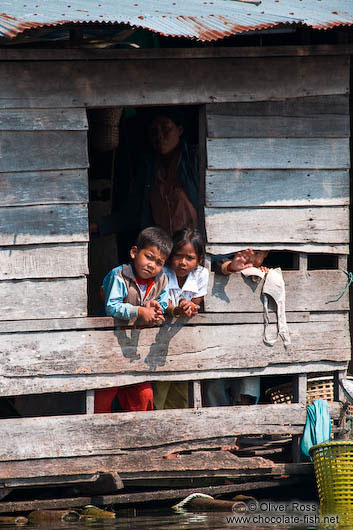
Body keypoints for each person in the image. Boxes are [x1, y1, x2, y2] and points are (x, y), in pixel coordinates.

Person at [92, 107, 199, 249]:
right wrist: (97, 227)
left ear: (179, 130)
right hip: (163, 250)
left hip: (192, 248)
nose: (159, 136)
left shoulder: (194, 161)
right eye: (153, 131)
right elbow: (133, 212)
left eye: (166, 129)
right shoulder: (149, 169)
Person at [94, 226, 172, 413]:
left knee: (144, 396)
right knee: (104, 397)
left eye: (159, 262)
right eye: (149, 257)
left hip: (137, 351)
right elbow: (111, 306)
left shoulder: (161, 279)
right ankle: (100, 438)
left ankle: (140, 439)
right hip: (109, 346)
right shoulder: (119, 275)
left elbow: (162, 304)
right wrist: (139, 311)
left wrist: (155, 311)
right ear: (134, 252)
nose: (152, 265)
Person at [203, 248, 269, 407]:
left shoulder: (261, 271)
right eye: (251, 252)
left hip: (251, 333)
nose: (252, 257)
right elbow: (217, 264)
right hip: (218, 331)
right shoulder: (226, 259)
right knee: (215, 382)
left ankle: (246, 416)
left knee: (250, 376)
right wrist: (231, 267)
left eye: (259, 254)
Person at [153, 228, 209, 410]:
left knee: (181, 388)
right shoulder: (162, 273)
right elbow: (165, 304)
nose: (183, 262)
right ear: (170, 256)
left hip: (186, 340)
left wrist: (190, 306)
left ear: (199, 259)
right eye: (178, 256)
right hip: (159, 338)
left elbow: (196, 302)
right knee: (159, 388)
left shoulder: (201, 274)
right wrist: (178, 309)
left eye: (190, 258)